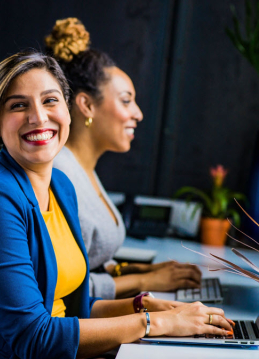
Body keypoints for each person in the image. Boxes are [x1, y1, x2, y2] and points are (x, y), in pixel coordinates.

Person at [0, 51, 233, 359]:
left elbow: (75, 309)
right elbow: (34, 338)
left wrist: (145, 306)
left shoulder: (61, 187)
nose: (39, 116)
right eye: (18, 105)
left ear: (68, 112)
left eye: (50, 101)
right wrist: (154, 322)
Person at [46, 18, 202, 299]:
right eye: (126, 100)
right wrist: (145, 282)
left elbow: (90, 264)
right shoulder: (60, 175)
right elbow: (63, 289)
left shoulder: (83, 170)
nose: (138, 114)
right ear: (87, 105)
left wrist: (139, 272)